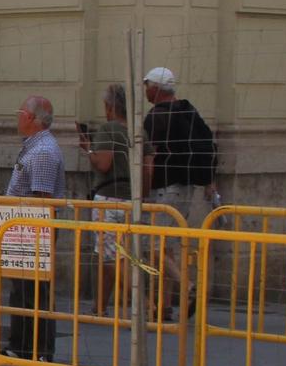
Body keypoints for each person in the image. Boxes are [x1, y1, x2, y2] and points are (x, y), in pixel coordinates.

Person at [140, 67, 221, 318]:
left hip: (165, 189)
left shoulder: (156, 117)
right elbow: (209, 145)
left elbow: (149, 159)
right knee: (168, 248)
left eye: (147, 87)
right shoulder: (189, 110)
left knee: (154, 247)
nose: (145, 91)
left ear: (155, 88)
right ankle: (164, 307)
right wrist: (209, 180)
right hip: (188, 188)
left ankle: (188, 286)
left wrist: (143, 190)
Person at [4, 95, 63, 362]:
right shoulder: (34, 147)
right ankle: (21, 345)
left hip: (32, 229)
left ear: (30, 118)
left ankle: (35, 350)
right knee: (22, 290)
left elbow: (42, 198)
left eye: (19, 112)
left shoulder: (42, 152)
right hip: (22, 228)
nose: (17, 117)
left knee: (33, 291)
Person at [78, 83, 130, 317]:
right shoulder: (137, 131)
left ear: (109, 107)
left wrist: (88, 150)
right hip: (132, 200)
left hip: (109, 199)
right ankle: (100, 306)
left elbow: (103, 163)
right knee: (114, 254)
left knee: (111, 258)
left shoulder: (108, 130)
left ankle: (145, 302)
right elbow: (149, 169)